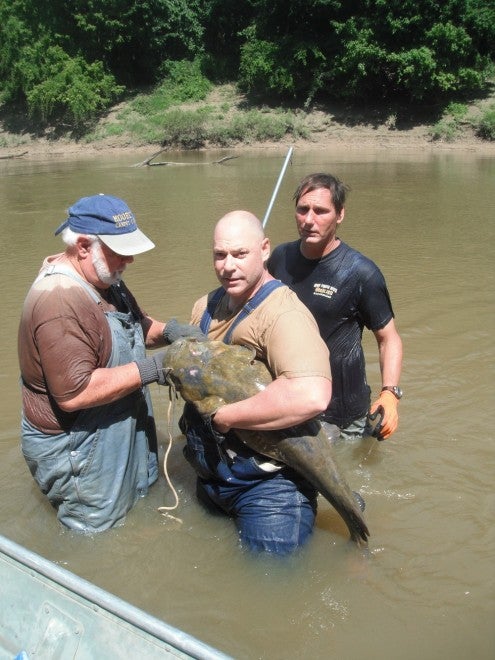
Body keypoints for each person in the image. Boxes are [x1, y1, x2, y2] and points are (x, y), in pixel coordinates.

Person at [18, 193, 202, 533]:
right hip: (79, 446)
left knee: (137, 514)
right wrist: (157, 368)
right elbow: (75, 393)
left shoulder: (104, 276)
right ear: (84, 246)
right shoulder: (59, 301)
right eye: (121, 249)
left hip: (118, 424)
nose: (129, 258)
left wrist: (174, 332)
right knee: (97, 534)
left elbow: (135, 326)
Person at [180, 210, 333, 555]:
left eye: (240, 254)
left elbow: (312, 396)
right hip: (212, 474)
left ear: (264, 250)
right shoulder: (205, 306)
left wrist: (225, 417)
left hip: (273, 490)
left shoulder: (283, 315)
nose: (228, 266)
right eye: (220, 255)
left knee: (271, 585)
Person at [268, 172, 403, 441]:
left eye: (320, 211)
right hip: (289, 399)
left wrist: (390, 393)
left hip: (342, 413)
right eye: (302, 209)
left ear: (340, 215)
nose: (309, 220)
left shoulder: (361, 273)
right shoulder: (280, 258)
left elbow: (389, 338)